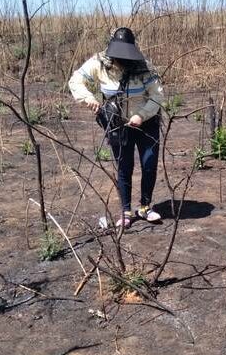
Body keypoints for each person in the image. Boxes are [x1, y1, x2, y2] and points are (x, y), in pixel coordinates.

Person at [68, 27, 164, 228]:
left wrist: (140, 115)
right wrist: (89, 99)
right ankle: (126, 211)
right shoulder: (99, 63)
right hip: (117, 124)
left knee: (149, 163)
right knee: (124, 166)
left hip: (146, 123)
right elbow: (76, 80)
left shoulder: (144, 66)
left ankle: (145, 207)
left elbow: (157, 95)